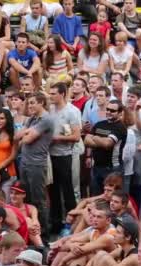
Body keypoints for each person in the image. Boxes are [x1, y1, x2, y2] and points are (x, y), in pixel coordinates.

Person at [16, 92, 54, 240]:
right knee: (27, 199)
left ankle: (43, 234)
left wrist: (25, 134)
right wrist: (25, 133)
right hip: (25, 162)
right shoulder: (32, 119)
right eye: (28, 103)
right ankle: (30, 232)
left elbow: (26, 140)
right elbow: (17, 136)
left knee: (39, 200)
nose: (29, 106)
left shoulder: (46, 119)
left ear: (41, 103)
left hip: (37, 165)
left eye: (32, 103)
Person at [48, 82, 81, 234]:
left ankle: (72, 224)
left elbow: (76, 136)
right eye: (50, 93)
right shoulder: (50, 109)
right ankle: (56, 223)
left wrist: (56, 138)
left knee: (67, 191)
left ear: (62, 94)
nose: (51, 96)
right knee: (53, 191)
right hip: (50, 155)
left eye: (54, 93)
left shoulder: (72, 112)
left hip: (64, 155)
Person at [85, 98, 127, 196]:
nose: (108, 112)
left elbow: (107, 144)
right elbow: (86, 141)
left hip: (112, 168)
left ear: (120, 113)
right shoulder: (99, 124)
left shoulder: (120, 127)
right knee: (96, 197)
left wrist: (94, 137)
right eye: (107, 109)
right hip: (96, 167)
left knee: (111, 197)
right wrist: (101, 140)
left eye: (112, 111)